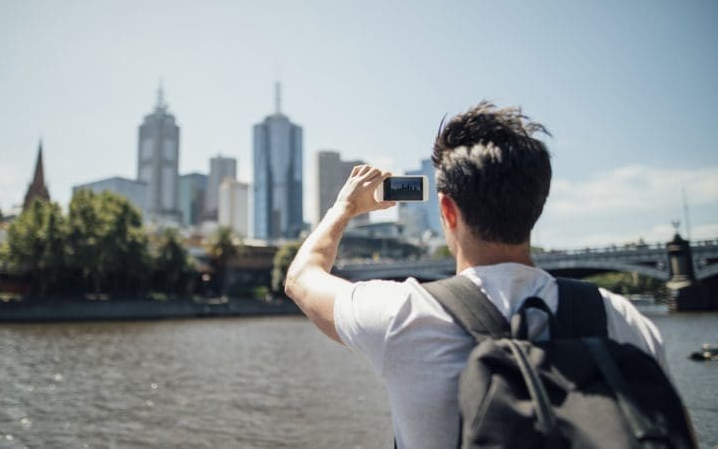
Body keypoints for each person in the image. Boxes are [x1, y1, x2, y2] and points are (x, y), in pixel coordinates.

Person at [284, 101, 667, 448]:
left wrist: (344, 208)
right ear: (537, 204)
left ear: (448, 212)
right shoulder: (624, 319)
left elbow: (300, 278)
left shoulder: (402, 316)